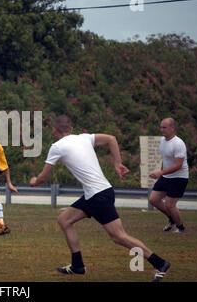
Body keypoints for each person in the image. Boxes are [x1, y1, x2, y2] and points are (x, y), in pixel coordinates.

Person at [29, 115, 171, 282]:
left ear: (54, 130)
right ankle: (77, 265)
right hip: (95, 194)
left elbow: (43, 178)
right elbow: (111, 139)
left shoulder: (57, 147)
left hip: (99, 195)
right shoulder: (84, 138)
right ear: (71, 129)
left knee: (118, 236)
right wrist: (117, 163)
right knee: (64, 220)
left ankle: (159, 263)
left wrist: (34, 181)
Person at [149, 118, 189, 233]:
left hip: (179, 177)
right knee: (153, 199)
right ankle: (172, 219)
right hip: (166, 176)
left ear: (172, 128)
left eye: (164, 127)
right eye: (161, 127)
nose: (162, 130)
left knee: (169, 204)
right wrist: (161, 172)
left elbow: (178, 165)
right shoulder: (162, 140)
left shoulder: (178, 143)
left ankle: (180, 228)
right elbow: (165, 158)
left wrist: (161, 172)